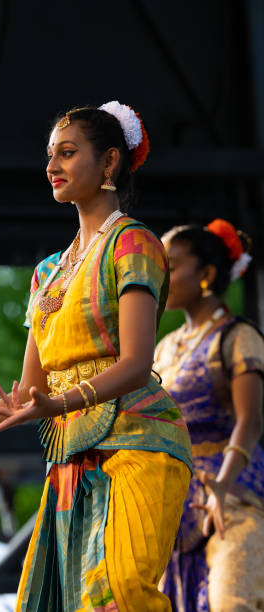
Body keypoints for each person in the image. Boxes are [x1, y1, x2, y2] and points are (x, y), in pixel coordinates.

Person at [0, 101, 192, 611]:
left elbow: (137, 364)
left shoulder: (132, 243)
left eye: (68, 153)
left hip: (139, 443)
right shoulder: (47, 273)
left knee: (118, 594)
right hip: (72, 458)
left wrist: (58, 404)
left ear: (110, 164)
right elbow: (28, 393)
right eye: (50, 155)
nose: (52, 166)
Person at [154, 219, 264, 611]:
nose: (160, 274)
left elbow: (250, 421)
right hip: (171, 507)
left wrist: (221, 484)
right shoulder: (164, 349)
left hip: (230, 496)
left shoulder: (237, 336)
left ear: (207, 274)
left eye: (171, 263)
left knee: (230, 601)